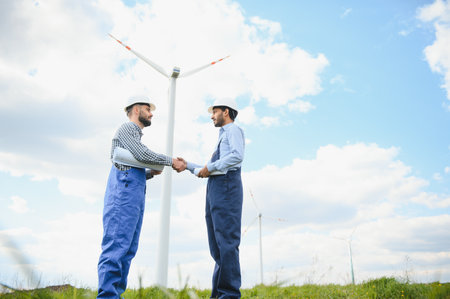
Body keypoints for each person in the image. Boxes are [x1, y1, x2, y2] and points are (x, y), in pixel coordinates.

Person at [97, 95, 186, 298]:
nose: (151, 113)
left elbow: (130, 164)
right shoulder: (128, 128)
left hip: (132, 194)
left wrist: (149, 173)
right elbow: (141, 154)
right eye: (148, 109)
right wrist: (169, 161)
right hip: (123, 195)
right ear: (137, 110)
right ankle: (107, 296)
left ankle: (115, 294)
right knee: (117, 246)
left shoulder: (133, 135)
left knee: (127, 249)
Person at [182, 98, 245, 299]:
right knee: (217, 245)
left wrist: (210, 167)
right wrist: (188, 165)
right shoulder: (222, 137)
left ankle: (229, 294)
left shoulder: (233, 130)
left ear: (226, 111)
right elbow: (208, 169)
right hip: (216, 186)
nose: (211, 115)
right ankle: (219, 294)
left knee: (226, 241)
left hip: (227, 185)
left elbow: (237, 156)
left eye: (214, 111)